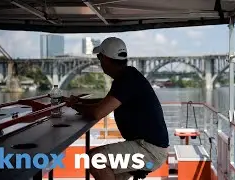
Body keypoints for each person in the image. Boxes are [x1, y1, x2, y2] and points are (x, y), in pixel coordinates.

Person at [66, 37, 169, 180]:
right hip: (147, 147)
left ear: (106, 58)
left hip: (149, 151)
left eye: (99, 57)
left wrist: (74, 105)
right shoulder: (127, 76)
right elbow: (107, 102)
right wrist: (80, 101)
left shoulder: (126, 80)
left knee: (95, 160)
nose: (99, 61)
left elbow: (98, 112)